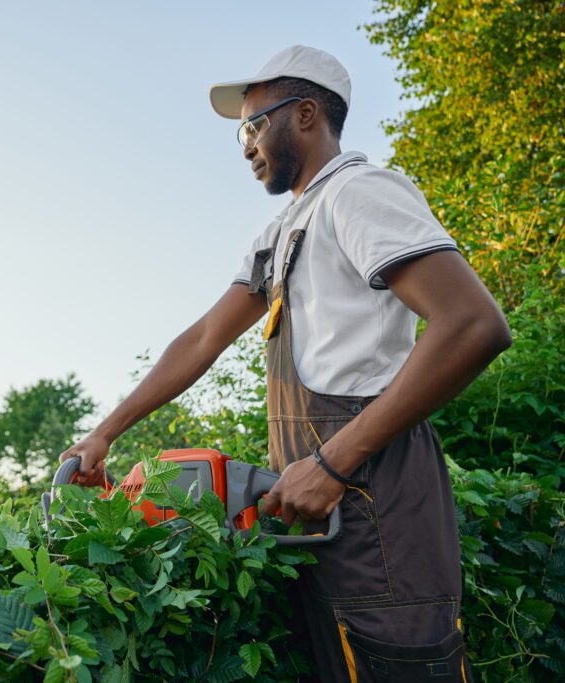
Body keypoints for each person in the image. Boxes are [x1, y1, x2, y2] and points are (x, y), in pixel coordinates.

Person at [58, 45, 511, 681]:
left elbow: (473, 325)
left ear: (304, 114)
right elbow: (203, 339)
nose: (243, 145)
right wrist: (106, 431)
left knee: (398, 662)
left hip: (374, 493)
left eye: (252, 124)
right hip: (313, 507)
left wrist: (331, 462)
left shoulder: (359, 193)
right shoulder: (282, 229)